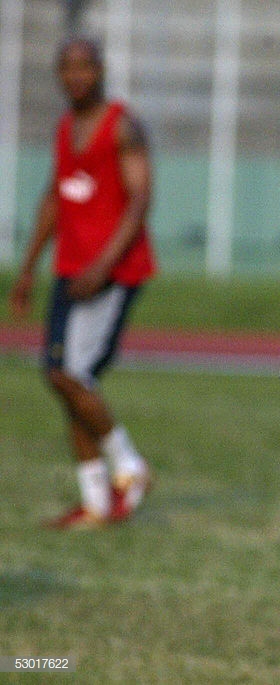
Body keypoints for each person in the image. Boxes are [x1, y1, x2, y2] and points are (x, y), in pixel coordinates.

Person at [7, 37, 154, 529]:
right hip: (70, 270)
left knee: (68, 376)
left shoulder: (123, 126)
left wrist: (102, 266)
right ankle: (96, 503)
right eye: (67, 67)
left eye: (84, 66)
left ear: (100, 70)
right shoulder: (65, 127)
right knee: (67, 380)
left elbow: (140, 199)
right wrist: (29, 267)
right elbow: (55, 197)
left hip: (110, 273)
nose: (76, 76)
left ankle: (129, 466)